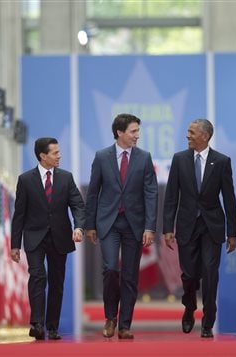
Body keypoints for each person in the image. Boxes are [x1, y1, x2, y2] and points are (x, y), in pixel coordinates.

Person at [162, 118, 236, 338]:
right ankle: (189, 306)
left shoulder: (222, 161)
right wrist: (168, 227)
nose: (187, 136)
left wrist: (232, 232)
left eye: (191, 132)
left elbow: (229, 198)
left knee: (210, 272)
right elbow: (171, 197)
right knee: (189, 275)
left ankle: (208, 321)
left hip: (212, 226)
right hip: (186, 225)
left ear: (205, 136)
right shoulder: (179, 159)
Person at [85, 113, 158, 339]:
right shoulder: (101, 156)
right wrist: (90, 225)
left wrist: (149, 227)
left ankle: (125, 325)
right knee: (110, 269)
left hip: (134, 225)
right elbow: (93, 193)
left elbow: (151, 193)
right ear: (119, 132)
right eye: (133, 131)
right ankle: (110, 317)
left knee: (129, 275)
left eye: (138, 131)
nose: (137, 136)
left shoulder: (144, 158)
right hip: (108, 223)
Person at [11, 137, 85, 340]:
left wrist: (78, 227)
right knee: (37, 276)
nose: (59, 156)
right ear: (43, 156)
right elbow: (19, 214)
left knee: (56, 281)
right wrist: (15, 245)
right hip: (34, 237)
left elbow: (78, 205)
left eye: (59, 152)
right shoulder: (25, 180)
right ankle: (36, 323)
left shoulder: (66, 178)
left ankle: (52, 327)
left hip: (59, 237)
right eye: (55, 153)